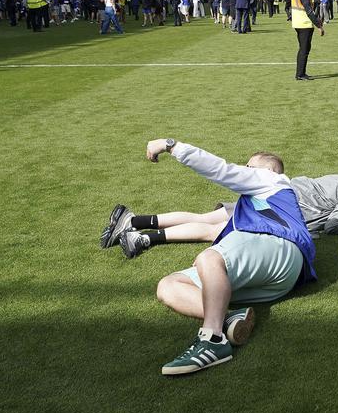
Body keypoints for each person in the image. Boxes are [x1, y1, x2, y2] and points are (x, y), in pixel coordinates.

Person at [134, 139, 316, 375]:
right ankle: (231, 319)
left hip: (279, 248)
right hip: (279, 273)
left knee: (208, 259)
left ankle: (212, 340)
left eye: (250, 167)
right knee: (168, 286)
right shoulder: (255, 202)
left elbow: (221, 169)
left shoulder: (270, 180)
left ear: (268, 170)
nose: (246, 170)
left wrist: (172, 146)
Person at [100, 171, 338, 249]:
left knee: (206, 219)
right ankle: (143, 238)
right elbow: (334, 225)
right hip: (279, 209)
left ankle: (134, 220)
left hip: (275, 195)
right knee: (213, 232)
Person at [290, 0, 325, 80]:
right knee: (304, 49)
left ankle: (300, 73)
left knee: (303, 49)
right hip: (304, 23)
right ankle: (300, 74)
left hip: (298, 22)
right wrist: (319, 25)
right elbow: (309, 11)